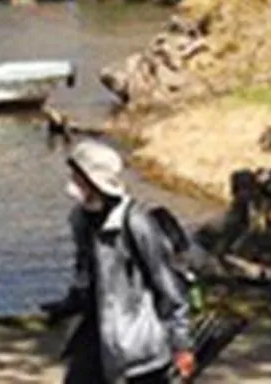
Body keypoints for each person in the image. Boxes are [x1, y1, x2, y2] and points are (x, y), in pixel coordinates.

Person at [41, 138, 196, 383]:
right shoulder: (80, 220)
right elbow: (85, 274)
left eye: (78, 178)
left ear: (94, 181)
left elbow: (168, 287)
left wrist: (181, 344)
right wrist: (68, 304)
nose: (72, 185)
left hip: (138, 350)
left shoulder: (135, 223)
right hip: (94, 338)